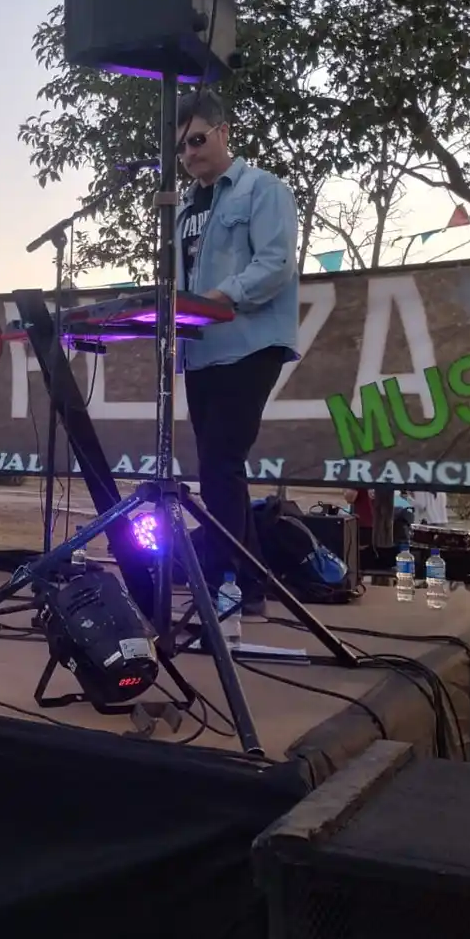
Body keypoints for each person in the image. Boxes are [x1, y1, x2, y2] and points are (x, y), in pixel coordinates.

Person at [175, 89, 299, 616]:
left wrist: (218, 298)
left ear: (225, 132)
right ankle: (249, 587)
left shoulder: (262, 189)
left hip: (248, 343)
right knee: (219, 465)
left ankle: (224, 580)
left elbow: (274, 264)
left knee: (220, 463)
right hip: (200, 349)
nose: (190, 154)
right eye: (180, 148)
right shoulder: (183, 207)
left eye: (198, 140)